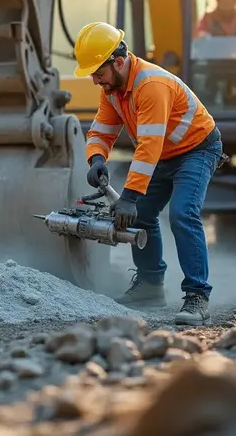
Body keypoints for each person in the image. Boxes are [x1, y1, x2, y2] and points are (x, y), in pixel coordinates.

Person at [73, 22, 223, 326]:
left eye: (98, 74)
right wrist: (96, 159)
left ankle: (198, 297)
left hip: (197, 150)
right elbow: (101, 129)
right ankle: (151, 286)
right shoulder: (113, 88)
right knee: (140, 213)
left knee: (182, 214)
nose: (95, 81)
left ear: (118, 62)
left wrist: (128, 197)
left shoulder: (151, 85)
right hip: (166, 153)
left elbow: (149, 146)